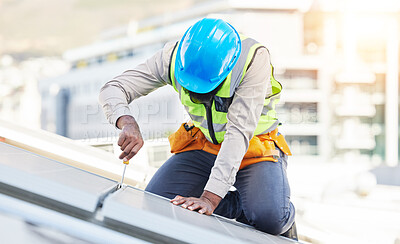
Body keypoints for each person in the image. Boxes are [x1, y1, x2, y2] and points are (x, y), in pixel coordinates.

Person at [99, 18, 296, 238]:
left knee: (270, 219)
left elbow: (238, 133)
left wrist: (210, 198)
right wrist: (126, 121)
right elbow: (114, 88)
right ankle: (243, 204)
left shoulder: (252, 60)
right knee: (158, 199)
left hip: (254, 149)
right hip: (206, 145)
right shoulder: (172, 57)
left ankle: (263, 205)